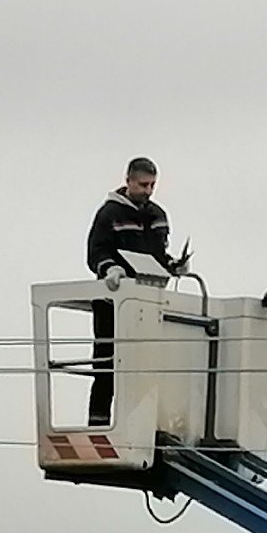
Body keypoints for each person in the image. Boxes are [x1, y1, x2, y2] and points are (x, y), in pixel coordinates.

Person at [84, 157, 177, 426]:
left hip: (147, 299)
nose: (148, 191)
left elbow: (158, 255)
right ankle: (99, 425)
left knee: (144, 365)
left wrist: (173, 264)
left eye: (152, 185)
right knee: (107, 364)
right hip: (112, 299)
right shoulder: (109, 214)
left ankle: (140, 425)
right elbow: (96, 251)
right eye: (143, 185)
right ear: (128, 181)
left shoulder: (157, 214)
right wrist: (109, 268)